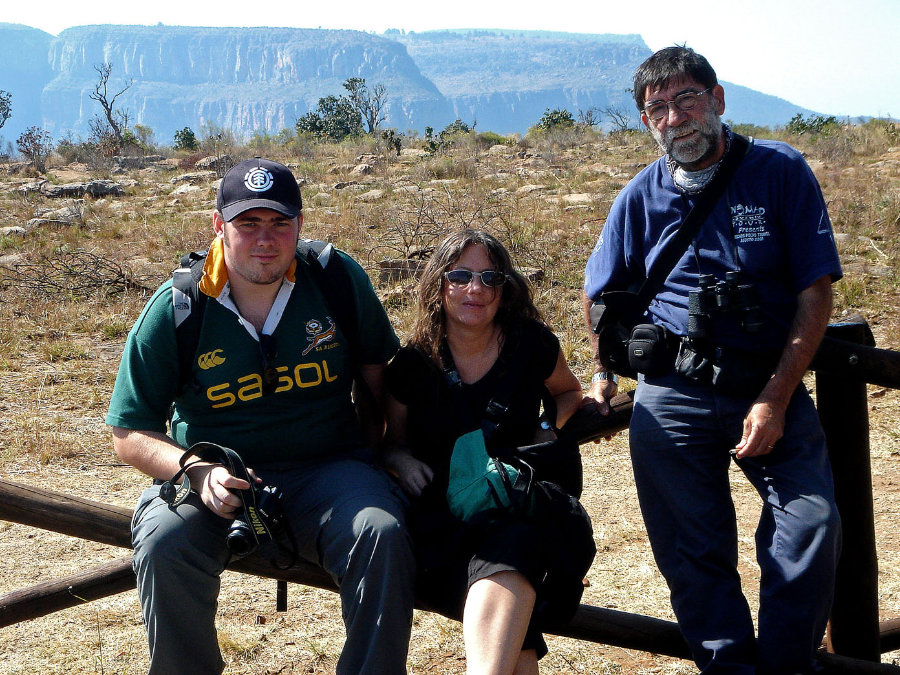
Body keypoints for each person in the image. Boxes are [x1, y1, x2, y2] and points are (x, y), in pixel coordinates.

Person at [583, 47, 842, 674]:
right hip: (672, 394)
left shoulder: (780, 171)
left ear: (718, 100)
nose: (675, 118)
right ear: (647, 122)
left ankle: (784, 666)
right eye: (658, 109)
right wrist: (602, 373)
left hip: (765, 383)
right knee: (692, 554)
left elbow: (816, 290)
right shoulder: (640, 196)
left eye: (687, 100)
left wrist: (777, 397)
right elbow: (599, 292)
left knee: (810, 526)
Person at [106, 157, 415, 675]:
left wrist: (391, 448)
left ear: (300, 225)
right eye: (248, 224)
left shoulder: (335, 280)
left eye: (279, 224)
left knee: (381, 532)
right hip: (215, 475)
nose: (265, 240)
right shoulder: (179, 307)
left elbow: (382, 376)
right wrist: (195, 470)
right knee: (163, 542)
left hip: (329, 469)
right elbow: (129, 431)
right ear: (218, 225)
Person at [383, 229, 586, 675]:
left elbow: (568, 392)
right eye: (460, 276)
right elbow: (391, 440)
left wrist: (549, 425)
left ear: (504, 289)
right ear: (439, 284)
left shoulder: (530, 344)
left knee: (516, 544)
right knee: (520, 639)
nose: (474, 289)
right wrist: (400, 460)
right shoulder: (413, 364)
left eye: (489, 278)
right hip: (442, 519)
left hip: (511, 507)